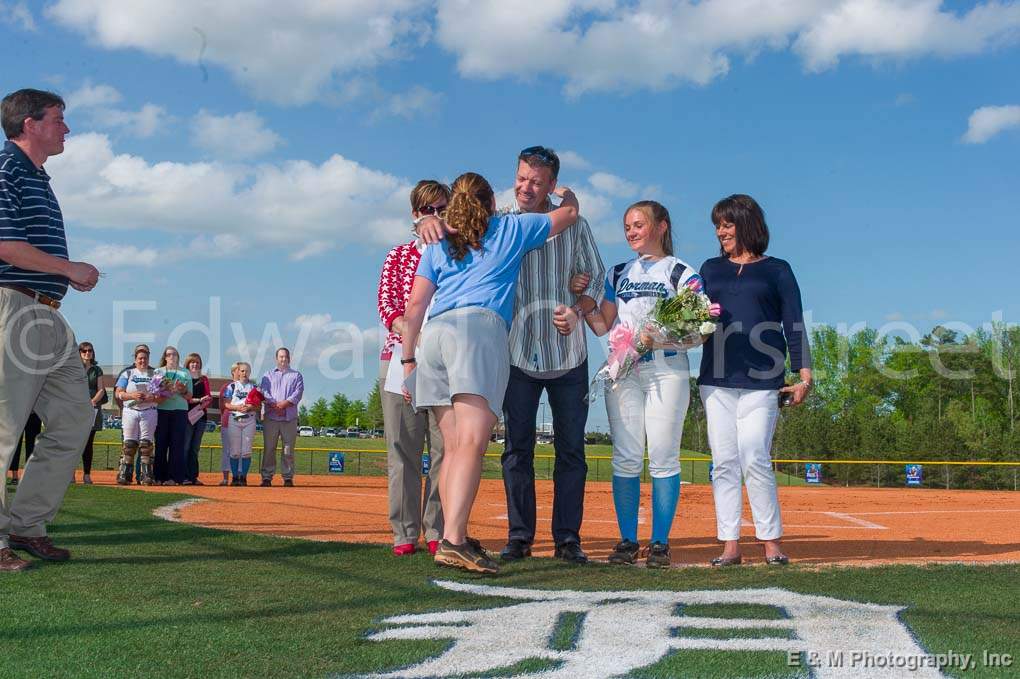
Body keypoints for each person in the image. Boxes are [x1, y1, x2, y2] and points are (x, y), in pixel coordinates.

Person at [403, 171, 581, 574]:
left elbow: (415, 309)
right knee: (470, 444)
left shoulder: (437, 241)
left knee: (451, 447)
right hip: (477, 332)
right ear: (489, 202)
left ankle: (455, 536)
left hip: (434, 336)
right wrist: (563, 192)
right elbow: (568, 214)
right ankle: (452, 541)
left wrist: (408, 360)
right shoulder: (510, 227)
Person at [0, 88, 100, 572]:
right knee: (4, 428)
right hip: (13, 305)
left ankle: (26, 524)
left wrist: (61, 276)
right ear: (29, 124)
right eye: (59, 119)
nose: (67, 129)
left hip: (45, 311)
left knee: (75, 420)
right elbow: (6, 246)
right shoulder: (6, 169)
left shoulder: (38, 176)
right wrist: (68, 267)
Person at [498, 146, 605, 565]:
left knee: (571, 452)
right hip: (517, 353)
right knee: (516, 450)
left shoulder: (576, 226)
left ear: (552, 185)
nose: (526, 187)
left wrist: (579, 310)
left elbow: (595, 275)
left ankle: (567, 539)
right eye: (521, 177)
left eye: (536, 182)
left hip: (568, 357)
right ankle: (519, 537)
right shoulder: (501, 220)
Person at [583, 201, 701, 568]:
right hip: (623, 370)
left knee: (664, 455)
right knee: (627, 455)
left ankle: (660, 543)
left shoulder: (681, 272)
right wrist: (583, 301)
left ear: (661, 226)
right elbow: (603, 326)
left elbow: (699, 330)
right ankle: (627, 540)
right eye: (627, 227)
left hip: (666, 368)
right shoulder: (617, 272)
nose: (631, 232)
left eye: (639, 224)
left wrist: (659, 338)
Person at [698, 194, 812, 566]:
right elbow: (694, 318)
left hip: (764, 378)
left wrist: (804, 374)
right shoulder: (710, 269)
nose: (720, 231)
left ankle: (771, 543)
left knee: (755, 456)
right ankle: (730, 545)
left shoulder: (777, 269)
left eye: (727, 224)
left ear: (747, 224)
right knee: (725, 460)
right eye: (718, 225)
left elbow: (793, 322)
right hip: (716, 377)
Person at [377, 179, 449, 556]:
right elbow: (387, 305)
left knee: (444, 450)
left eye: (442, 209)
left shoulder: (459, 255)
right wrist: (409, 332)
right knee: (402, 450)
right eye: (428, 210)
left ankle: (436, 527)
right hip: (399, 361)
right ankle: (404, 531)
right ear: (415, 215)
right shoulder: (398, 256)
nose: (435, 216)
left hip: (445, 362)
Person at [259, 348, 303, 487]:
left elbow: (298, 393)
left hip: (289, 418)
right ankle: (266, 477)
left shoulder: (296, 375)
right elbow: (264, 391)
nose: (283, 359)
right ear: (276, 358)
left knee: (288, 449)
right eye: (280, 356)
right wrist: (274, 404)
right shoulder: (268, 375)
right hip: (271, 416)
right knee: (269, 448)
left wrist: (284, 404)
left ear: (289, 358)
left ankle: (288, 477)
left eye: (285, 357)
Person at [114, 345, 158, 485]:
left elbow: (164, 394)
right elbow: (118, 392)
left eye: (145, 358)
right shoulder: (128, 373)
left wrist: (152, 397)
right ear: (135, 359)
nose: (142, 361)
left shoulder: (155, 374)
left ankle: (146, 475)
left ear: (148, 358)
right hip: (131, 411)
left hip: (148, 410)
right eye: (140, 358)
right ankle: (125, 474)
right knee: (129, 444)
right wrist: (131, 395)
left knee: (146, 445)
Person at [153, 346, 193, 486]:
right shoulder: (158, 372)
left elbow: (189, 396)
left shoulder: (185, 372)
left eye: (175, 354)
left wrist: (182, 390)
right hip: (162, 410)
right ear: (165, 357)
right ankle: (159, 476)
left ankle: (174, 478)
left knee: (177, 445)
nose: (172, 357)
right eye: (169, 354)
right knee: (161, 444)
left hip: (180, 411)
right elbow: (154, 393)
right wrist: (165, 390)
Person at [77, 341, 106, 485]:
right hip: (75, 409)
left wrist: (92, 402)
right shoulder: (74, 368)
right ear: (79, 352)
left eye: (90, 350)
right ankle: (70, 474)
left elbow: (101, 389)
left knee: (88, 443)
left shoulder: (97, 370)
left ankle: (87, 475)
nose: (87, 353)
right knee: (74, 443)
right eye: (84, 351)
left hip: (93, 408)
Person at [224, 362, 257, 485]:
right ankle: (235, 477)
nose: (244, 373)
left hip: (249, 420)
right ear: (237, 372)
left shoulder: (253, 388)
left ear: (250, 373)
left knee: (246, 451)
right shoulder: (232, 386)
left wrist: (249, 407)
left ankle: (243, 477)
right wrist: (237, 408)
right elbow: (226, 404)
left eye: (247, 371)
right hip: (235, 419)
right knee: (235, 451)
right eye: (242, 371)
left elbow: (257, 405)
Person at [182, 352, 213, 485]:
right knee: (186, 447)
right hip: (187, 416)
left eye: (197, 362)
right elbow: (184, 398)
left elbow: (209, 396)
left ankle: (193, 476)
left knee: (195, 448)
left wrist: (206, 402)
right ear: (188, 364)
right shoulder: (184, 378)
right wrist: (198, 401)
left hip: (200, 416)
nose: (194, 364)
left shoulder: (203, 379)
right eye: (192, 362)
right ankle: (183, 476)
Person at [217, 364, 240, 486]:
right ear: (233, 372)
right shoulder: (226, 387)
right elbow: (222, 406)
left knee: (240, 450)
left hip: (243, 422)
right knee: (227, 450)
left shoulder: (247, 387)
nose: (241, 372)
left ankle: (239, 477)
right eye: (238, 370)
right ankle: (225, 477)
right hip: (227, 421)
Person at [7, 414, 42, 486]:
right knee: (16, 444)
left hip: (34, 413)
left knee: (32, 446)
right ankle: (15, 476)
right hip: (19, 412)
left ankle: (29, 476)